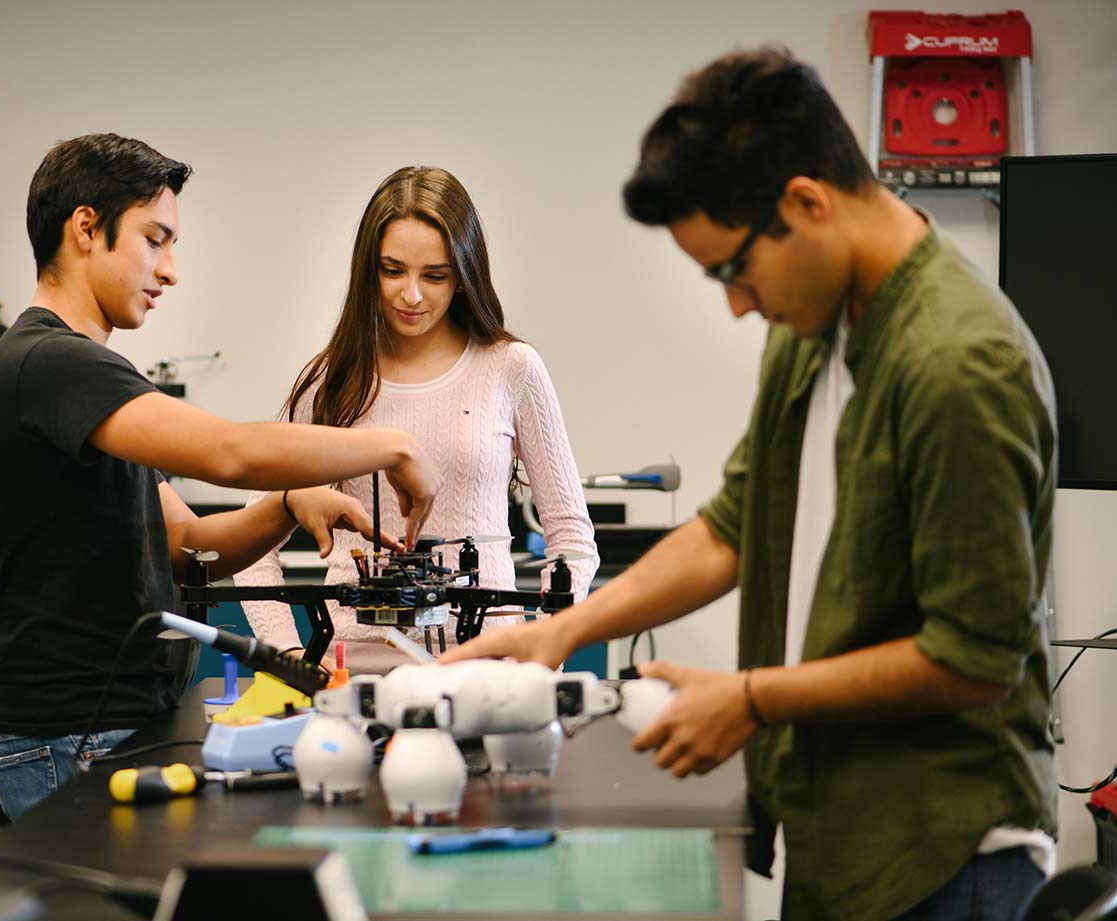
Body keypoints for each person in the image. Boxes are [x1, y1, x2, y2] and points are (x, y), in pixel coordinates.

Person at [442, 48, 1057, 920]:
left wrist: (750, 698)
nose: (736, 303)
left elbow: (974, 656)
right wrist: (563, 632)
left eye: (733, 269)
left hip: (946, 854)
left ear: (808, 201)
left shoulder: (959, 366)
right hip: (838, 824)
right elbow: (735, 524)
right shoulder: (813, 324)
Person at [0, 134, 440, 818]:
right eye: (155, 240)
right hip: (69, 734)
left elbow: (187, 544)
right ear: (85, 228)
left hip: (109, 725)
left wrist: (285, 505)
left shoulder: (87, 377)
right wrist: (388, 447)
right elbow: (229, 452)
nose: (169, 270)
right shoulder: (50, 362)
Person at [235, 166, 597, 673]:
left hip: (487, 671)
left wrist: (547, 645)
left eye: (435, 275)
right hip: (349, 675)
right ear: (368, 270)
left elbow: (573, 538)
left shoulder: (511, 368)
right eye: (392, 270)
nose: (412, 296)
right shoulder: (330, 379)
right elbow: (250, 545)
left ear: (465, 274)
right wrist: (289, 655)